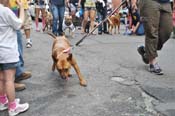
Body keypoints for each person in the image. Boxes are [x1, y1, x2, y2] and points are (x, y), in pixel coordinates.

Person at [0, 0, 29, 115]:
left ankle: (2, 101)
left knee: (1, 78)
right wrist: (21, 8)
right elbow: (19, 24)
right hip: (8, 52)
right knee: (9, 80)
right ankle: (13, 107)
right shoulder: (5, 11)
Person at [136, 0, 173, 75]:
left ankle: (147, 52)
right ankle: (152, 62)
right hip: (149, 2)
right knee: (151, 32)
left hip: (166, 2)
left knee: (167, 31)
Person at [9, 0, 32, 91]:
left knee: (17, 40)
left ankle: (18, 72)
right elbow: (19, 23)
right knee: (9, 47)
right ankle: (9, 81)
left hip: (14, 8)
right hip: (11, 9)